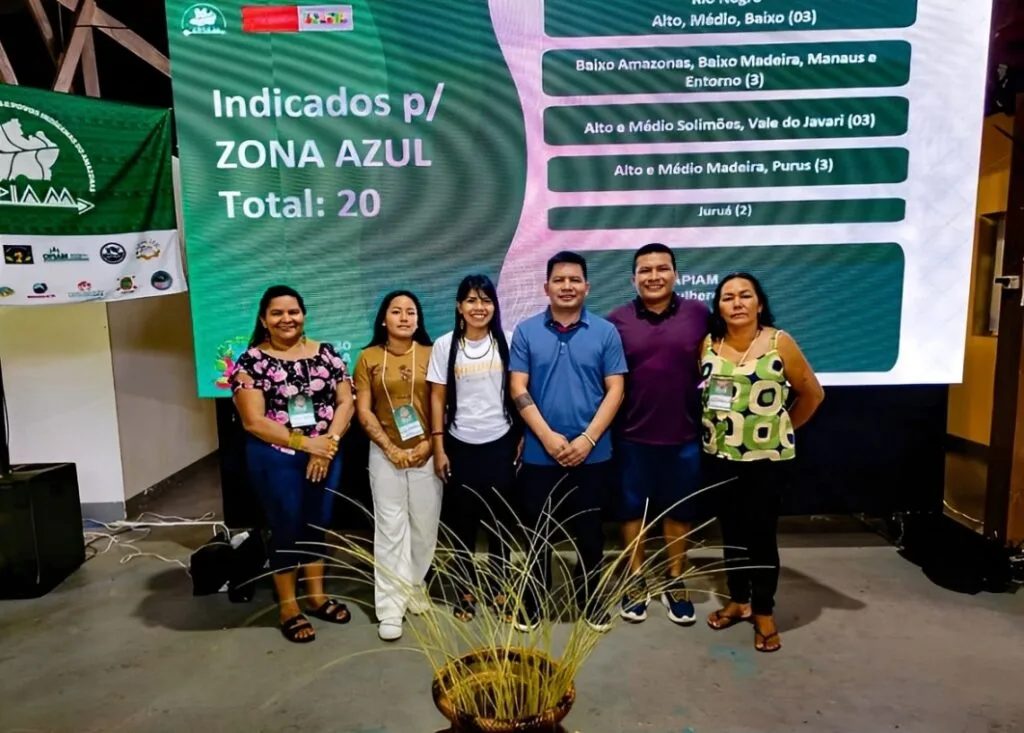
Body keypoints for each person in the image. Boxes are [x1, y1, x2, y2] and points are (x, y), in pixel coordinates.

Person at [701, 272, 824, 652]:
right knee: (731, 533)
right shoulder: (710, 343)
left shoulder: (778, 342)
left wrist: (781, 428)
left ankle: (765, 611)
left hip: (766, 460)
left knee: (761, 536)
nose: (736, 303)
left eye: (745, 295)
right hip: (720, 457)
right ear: (718, 306)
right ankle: (739, 601)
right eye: (727, 297)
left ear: (759, 303)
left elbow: (813, 395)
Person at [509, 251, 628, 632]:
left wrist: (588, 439)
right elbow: (517, 387)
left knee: (590, 535)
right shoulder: (526, 331)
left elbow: (616, 389)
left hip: (593, 454)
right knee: (536, 533)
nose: (567, 286)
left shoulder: (605, 332)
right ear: (546, 287)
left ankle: (590, 599)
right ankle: (534, 599)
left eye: (574, 279)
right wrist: (546, 437)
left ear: (587, 287)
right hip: (540, 454)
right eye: (559, 280)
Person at [230, 285, 355, 643]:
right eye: (277, 313)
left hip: (326, 453)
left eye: (293, 312)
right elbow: (254, 421)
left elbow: (346, 401)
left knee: (317, 521)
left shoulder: (326, 353)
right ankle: (288, 606)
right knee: (286, 525)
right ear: (263, 320)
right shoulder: (251, 362)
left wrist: (326, 444)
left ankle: (316, 596)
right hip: (276, 458)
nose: (287, 319)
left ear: (303, 315)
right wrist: (306, 443)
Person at [607, 243, 710, 626]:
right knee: (631, 510)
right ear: (633, 278)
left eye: (661, 269)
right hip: (631, 436)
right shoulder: (616, 321)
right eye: (645, 270)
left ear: (675, 274)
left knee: (680, 511)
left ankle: (674, 577)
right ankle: (635, 578)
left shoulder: (699, 314)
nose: (654, 276)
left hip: (685, 435)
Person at [428, 274, 520, 623]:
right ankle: (465, 590)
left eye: (485, 300)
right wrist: (439, 446)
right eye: (471, 300)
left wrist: (522, 434)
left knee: (500, 523)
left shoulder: (508, 341)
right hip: (460, 444)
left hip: (500, 442)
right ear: (459, 306)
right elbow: (437, 397)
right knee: (462, 523)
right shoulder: (445, 345)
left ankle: (499, 587)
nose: (478, 307)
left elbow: (520, 391)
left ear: (494, 305)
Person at [353, 290, 442, 642]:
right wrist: (390, 448)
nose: (404, 317)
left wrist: (428, 445)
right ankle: (390, 609)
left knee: (424, 527)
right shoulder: (368, 357)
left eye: (411, 312)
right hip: (384, 453)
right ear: (383, 319)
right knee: (390, 529)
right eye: (396, 311)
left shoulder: (434, 354)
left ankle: (415, 585)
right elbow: (363, 410)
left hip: (427, 451)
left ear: (418, 320)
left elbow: (445, 405)